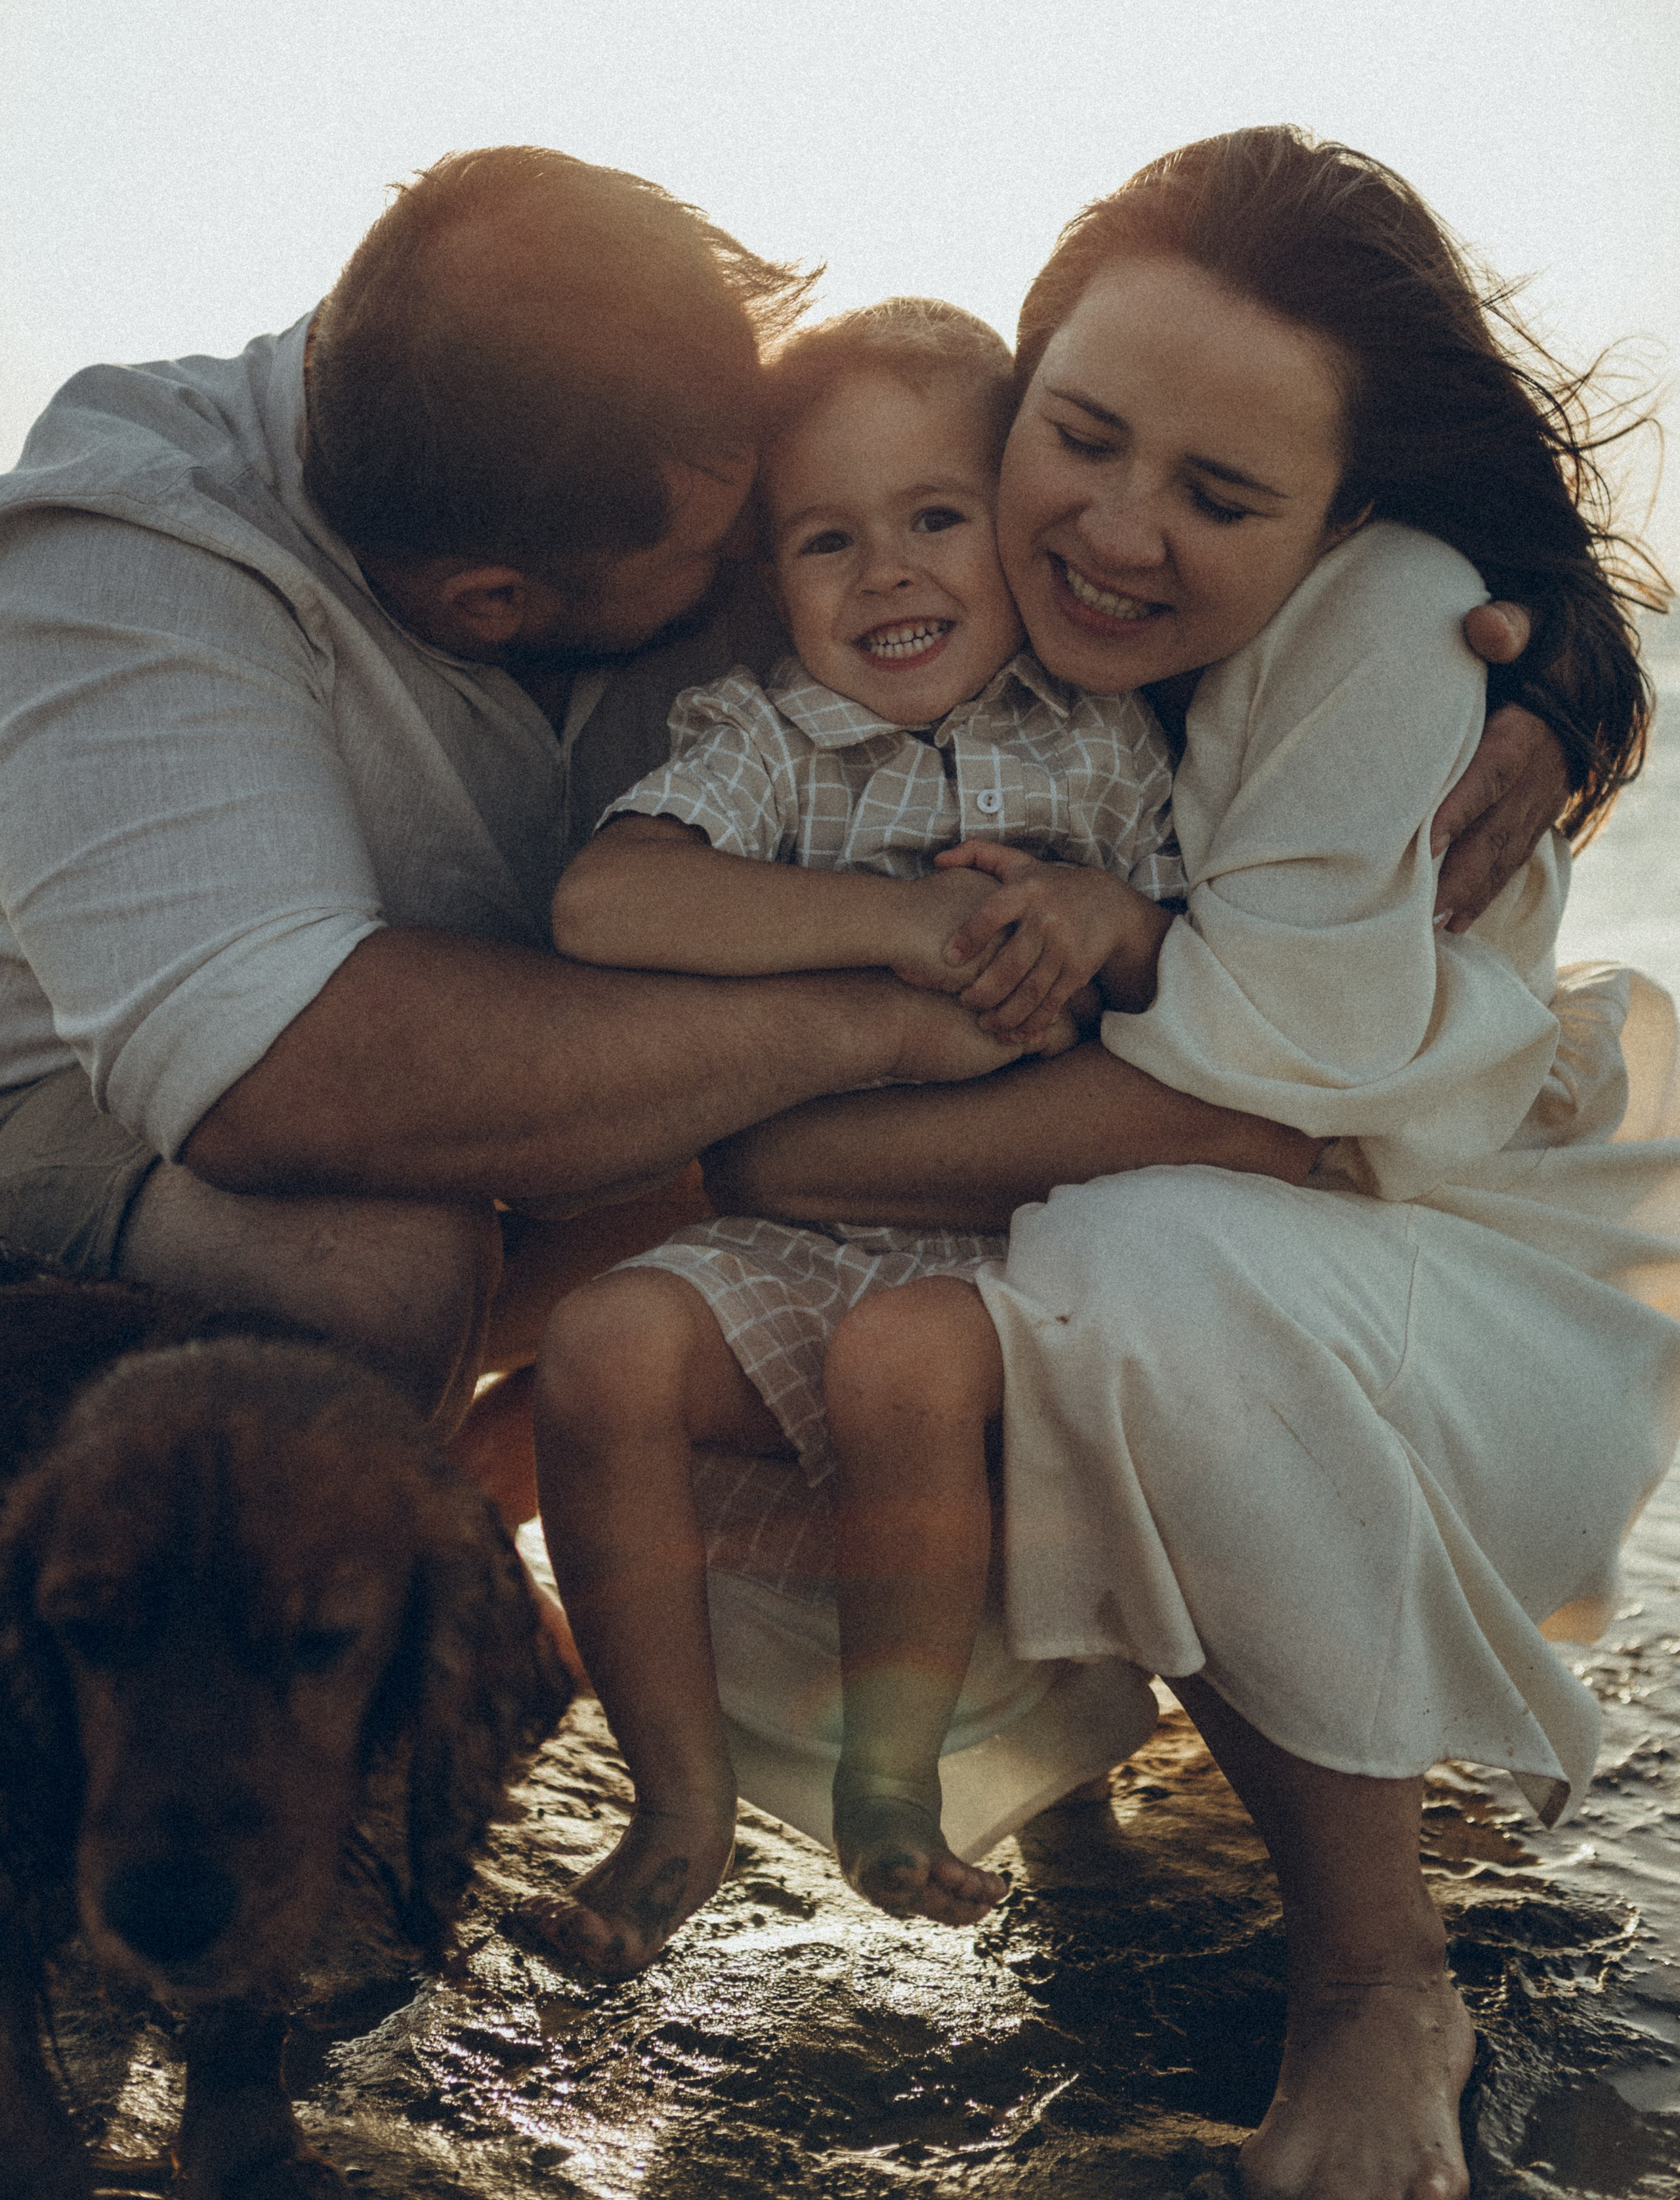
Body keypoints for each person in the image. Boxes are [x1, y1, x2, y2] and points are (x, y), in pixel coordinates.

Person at [697, 126, 1679, 2200]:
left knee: (1136, 1262)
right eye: (1084, 435)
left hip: (1444, 1290)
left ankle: (1379, 1981)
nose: (1116, 530)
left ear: (1348, 510)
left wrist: (786, 1139)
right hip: (1253, 1239)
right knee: (864, 1326)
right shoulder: (954, 567)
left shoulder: (1407, 621)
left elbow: (1248, 1103)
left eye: (1221, 497)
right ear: (1016, 382)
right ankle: (1094, 1775)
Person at [0, 143, 1564, 1433]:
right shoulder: (135, 543)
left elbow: (1237, 454)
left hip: (558, 1047)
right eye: (733, 547)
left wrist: (1560, 676)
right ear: (493, 604)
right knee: (378, 1268)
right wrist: (883, 1010)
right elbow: (287, 1080)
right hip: (74, 1099)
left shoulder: (673, 450)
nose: (794, 555)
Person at [532, 295, 1279, 1972]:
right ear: (769, 578)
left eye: (934, 519)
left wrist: (1101, 920)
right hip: (790, 1244)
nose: (885, 575)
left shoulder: (1107, 744)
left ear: (1016, 531)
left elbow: (1221, 983)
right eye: (827, 540)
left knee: (901, 1364)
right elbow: (608, 897)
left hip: (1025, 1257)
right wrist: (880, 933)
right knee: (597, 1347)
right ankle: (676, 1805)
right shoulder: (763, 742)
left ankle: (891, 1784)